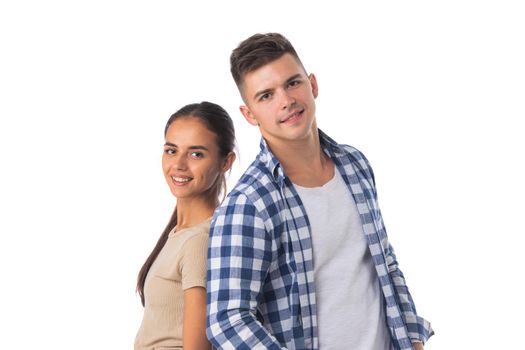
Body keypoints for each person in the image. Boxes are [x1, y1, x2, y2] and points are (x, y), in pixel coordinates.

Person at [206, 33, 434, 350]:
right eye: (266, 96)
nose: (285, 101)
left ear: (313, 84)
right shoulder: (249, 204)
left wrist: (413, 338)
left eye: (292, 83)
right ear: (249, 114)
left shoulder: (355, 165)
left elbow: (385, 264)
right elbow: (227, 320)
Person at [135, 102, 236, 350]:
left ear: (226, 161)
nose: (179, 164)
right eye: (171, 150)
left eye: (196, 154)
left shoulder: (199, 240)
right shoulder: (180, 233)